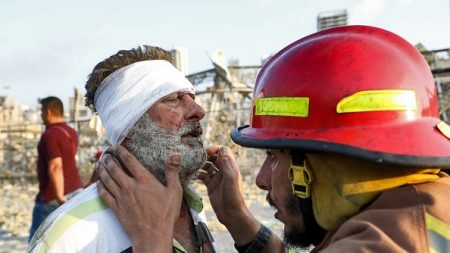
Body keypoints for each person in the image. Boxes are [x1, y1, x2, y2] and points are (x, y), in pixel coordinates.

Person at [95, 25, 450, 252]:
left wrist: (153, 240)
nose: (261, 178)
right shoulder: (421, 209)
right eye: (173, 99)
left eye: (275, 156)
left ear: (327, 159)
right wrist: (238, 218)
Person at [28, 45, 218, 253]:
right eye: (173, 99)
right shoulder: (73, 234)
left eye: (192, 97)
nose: (198, 111)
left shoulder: (191, 205)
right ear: (128, 124)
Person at [28, 96, 83, 241]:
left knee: (37, 241)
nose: (40, 115)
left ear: (48, 112)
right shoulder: (71, 132)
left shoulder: (49, 135)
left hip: (53, 197)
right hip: (76, 190)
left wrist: (59, 195)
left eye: (41, 111)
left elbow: (56, 166)